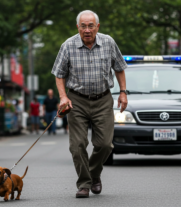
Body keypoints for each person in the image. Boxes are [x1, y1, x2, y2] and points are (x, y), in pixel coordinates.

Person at [52, 10, 128, 198]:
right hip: (76, 100)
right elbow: (59, 74)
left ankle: (94, 175)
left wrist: (123, 92)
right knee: (77, 145)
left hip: (103, 99)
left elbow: (119, 68)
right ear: (78, 27)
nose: (87, 30)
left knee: (105, 145)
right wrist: (63, 97)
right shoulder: (68, 46)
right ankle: (84, 183)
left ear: (97, 27)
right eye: (83, 26)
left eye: (90, 26)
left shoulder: (108, 42)